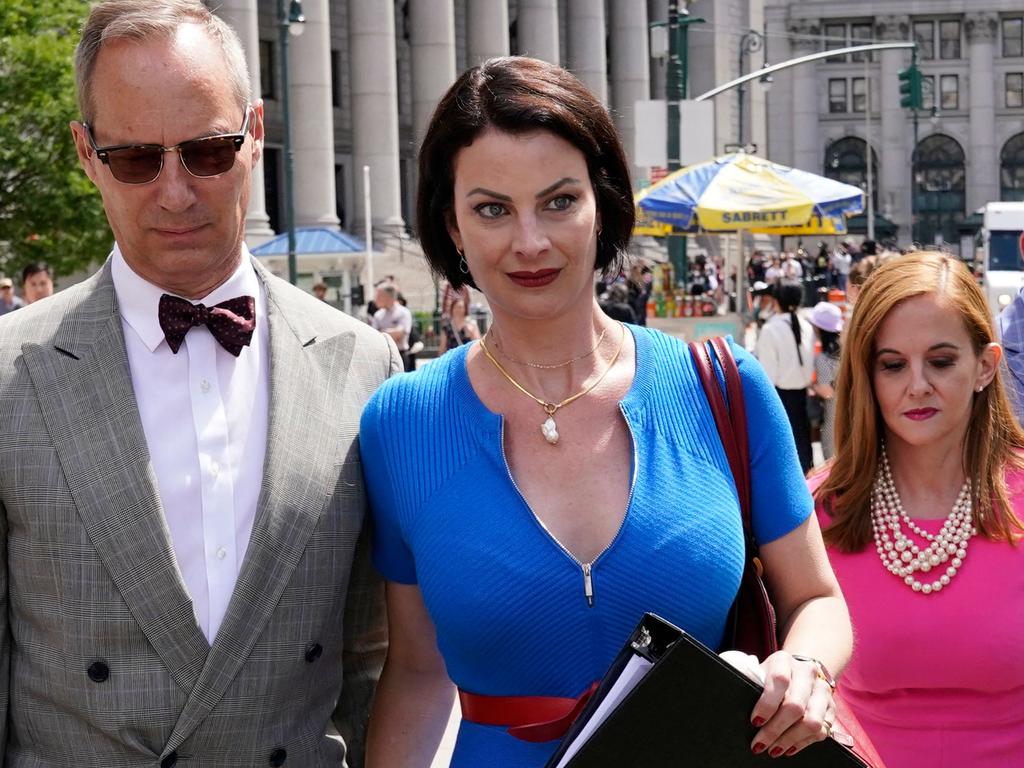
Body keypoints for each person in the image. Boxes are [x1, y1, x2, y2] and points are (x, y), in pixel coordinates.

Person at [361, 56, 851, 768]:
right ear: (453, 228)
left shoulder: (722, 384)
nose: (530, 242)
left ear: (604, 202)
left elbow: (817, 597)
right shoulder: (399, 424)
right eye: (492, 208)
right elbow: (414, 671)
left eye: (559, 201)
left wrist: (806, 669)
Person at [0, 2, 401, 766]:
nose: (176, 193)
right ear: (87, 154)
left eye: (207, 151)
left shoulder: (363, 366)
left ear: (254, 135)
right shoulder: (8, 374)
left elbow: (371, 656)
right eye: (136, 159)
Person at [811, 251, 1024, 767]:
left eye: (941, 360)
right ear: (868, 375)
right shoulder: (815, 508)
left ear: (985, 367)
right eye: (893, 365)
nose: (918, 385)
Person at [754, 280, 815, 473]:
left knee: (784, 456)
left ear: (776, 301)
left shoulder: (771, 329)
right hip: (802, 396)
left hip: (781, 397)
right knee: (803, 451)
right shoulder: (806, 325)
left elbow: (767, 375)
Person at [808, 302, 843, 462]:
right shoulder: (847, 352)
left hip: (833, 417)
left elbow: (828, 392)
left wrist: (811, 386)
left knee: (831, 461)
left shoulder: (823, 359)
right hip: (853, 415)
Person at [372, 282, 414, 371]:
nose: (375, 299)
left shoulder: (403, 312)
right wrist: (390, 333)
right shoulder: (378, 315)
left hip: (400, 355)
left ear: (388, 296)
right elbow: (373, 336)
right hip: (382, 357)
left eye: (378, 295)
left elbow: (400, 334)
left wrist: (380, 332)